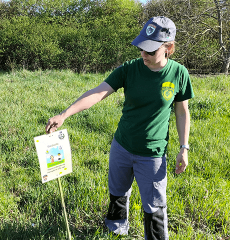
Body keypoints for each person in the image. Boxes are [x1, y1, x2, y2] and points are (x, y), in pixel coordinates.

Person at [45, 16, 194, 240]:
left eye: (151, 51)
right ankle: (115, 230)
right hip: (122, 146)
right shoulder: (130, 69)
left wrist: (184, 147)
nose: (143, 55)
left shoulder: (179, 73)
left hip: (152, 153)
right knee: (117, 193)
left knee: (154, 206)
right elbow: (98, 93)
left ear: (168, 48)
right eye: (142, 48)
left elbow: (182, 112)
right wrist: (65, 114)